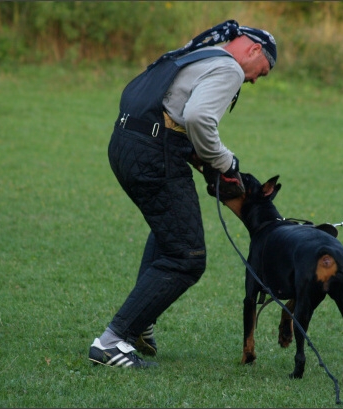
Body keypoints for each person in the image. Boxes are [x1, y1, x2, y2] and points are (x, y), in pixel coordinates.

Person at [88, 20, 277, 369]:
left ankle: (140, 324)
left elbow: (166, 109)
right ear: (253, 51)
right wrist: (226, 162)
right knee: (186, 256)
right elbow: (199, 117)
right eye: (260, 73)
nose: (252, 80)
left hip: (125, 143)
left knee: (171, 230)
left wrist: (196, 156)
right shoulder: (229, 67)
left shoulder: (195, 55)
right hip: (153, 153)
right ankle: (112, 342)